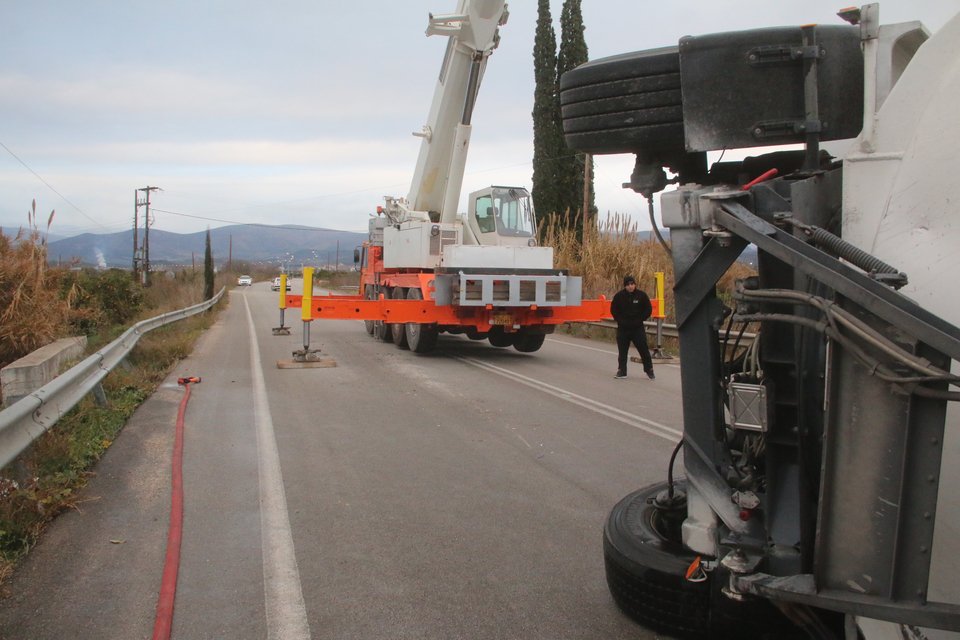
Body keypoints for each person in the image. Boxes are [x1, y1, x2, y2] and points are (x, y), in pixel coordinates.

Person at [610, 275, 655, 379]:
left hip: (637, 328)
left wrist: (639, 320)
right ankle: (622, 371)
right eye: (628, 285)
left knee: (643, 349)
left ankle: (649, 370)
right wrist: (620, 321)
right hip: (623, 329)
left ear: (635, 284)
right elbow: (613, 310)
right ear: (625, 286)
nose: (630, 286)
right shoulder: (619, 296)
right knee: (622, 352)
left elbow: (648, 309)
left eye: (632, 284)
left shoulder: (641, 296)